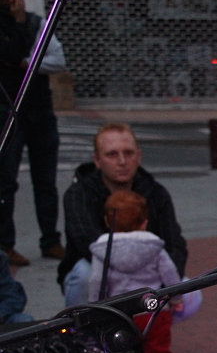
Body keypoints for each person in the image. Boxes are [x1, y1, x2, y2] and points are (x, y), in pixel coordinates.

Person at [58, 124, 188, 307]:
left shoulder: (156, 193)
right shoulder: (79, 194)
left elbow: (174, 242)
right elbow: (87, 242)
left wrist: (165, 285)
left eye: (128, 153)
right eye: (111, 154)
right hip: (100, 271)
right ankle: (82, 329)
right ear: (97, 160)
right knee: (84, 275)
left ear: (139, 156)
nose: (122, 161)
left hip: (147, 272)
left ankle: (151, 330)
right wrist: (131, 271)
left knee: (191, 293)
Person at [0, 0, 67, 267]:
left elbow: (55, 59)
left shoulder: (36, 22)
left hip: (39, 109)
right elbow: (10, 55)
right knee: (6, 181)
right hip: (7, 111)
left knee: (46, 179)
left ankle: (50, 239)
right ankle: (5, 244)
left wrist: (27, 60)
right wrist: (15, 23)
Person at [88, 190, 180, 353]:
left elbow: (96, 280)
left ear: (107, 221)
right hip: (152, 311)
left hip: (119, 313)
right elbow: (170, 274)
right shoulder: (154, 247)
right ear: (144, 222)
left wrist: (94, 305)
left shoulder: (102, 249)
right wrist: (177, 298)